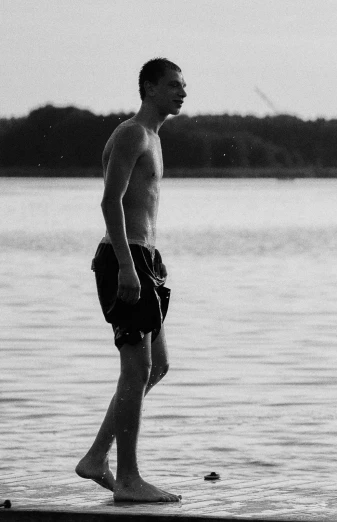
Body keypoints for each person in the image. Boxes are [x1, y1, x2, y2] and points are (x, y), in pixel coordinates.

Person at [75, 58, 186, 502]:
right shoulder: (133, 134)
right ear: (149, 88)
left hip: (146, 259)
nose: (182, 92)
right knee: (136, 368)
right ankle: (127, 478)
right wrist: (125, 265)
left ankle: (97, 457)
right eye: (173, 85)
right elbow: (110, 202)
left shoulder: (155, 138)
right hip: (126, 258)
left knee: (155, 366)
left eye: (184, 85)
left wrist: (147, 263)